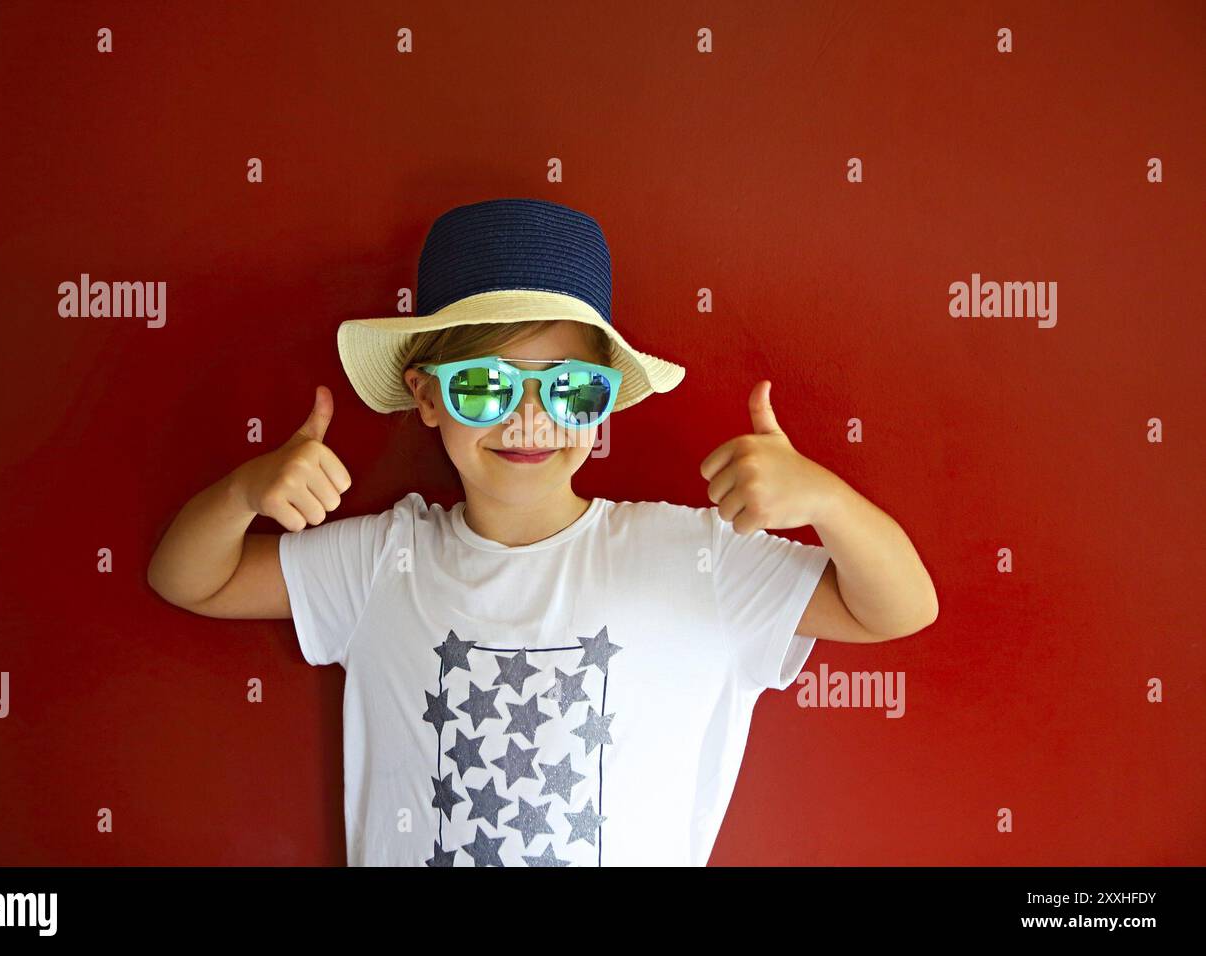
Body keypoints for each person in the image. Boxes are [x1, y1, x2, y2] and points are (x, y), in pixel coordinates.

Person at [146, 197, 938, 866]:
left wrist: (827, 501)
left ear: (602, 404)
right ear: (425, 397)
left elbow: (898, 608)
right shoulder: (384, 559)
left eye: (569, 388)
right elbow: (189, 578)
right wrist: (247, 490)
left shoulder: (694, 558)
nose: (532, 417)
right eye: (486, 384)